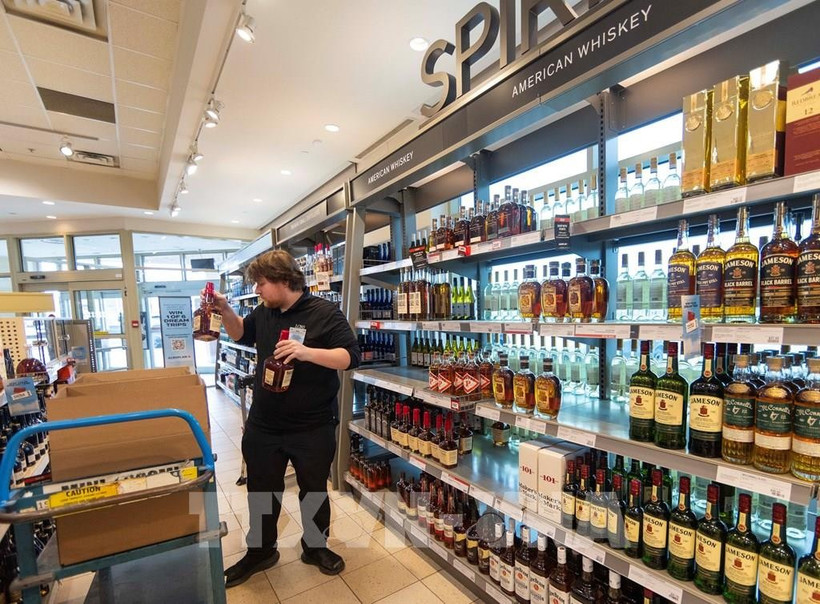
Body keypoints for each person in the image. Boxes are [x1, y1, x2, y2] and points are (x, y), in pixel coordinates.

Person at [210, 250, 360, 587]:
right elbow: (238, 334)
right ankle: (261, 551)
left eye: (261, 283)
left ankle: (315, 546)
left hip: (313, 425)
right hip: (265, 424)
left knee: (313, 490)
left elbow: (351, 357)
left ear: (283, 280)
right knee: (262, 490)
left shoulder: (324, 313)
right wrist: (226, 310)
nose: (258, 289)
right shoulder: (265, 312)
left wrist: (307, 352)